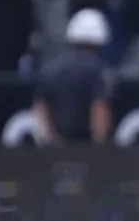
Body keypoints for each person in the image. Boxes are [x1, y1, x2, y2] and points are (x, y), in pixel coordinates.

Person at [33, 8, 113, 145]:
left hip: (58, 148)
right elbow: (99, 107)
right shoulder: (96, 70)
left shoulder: (51, 69)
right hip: (87, 149)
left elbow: (41, 107)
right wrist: (99, 145)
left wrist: (50, 139)